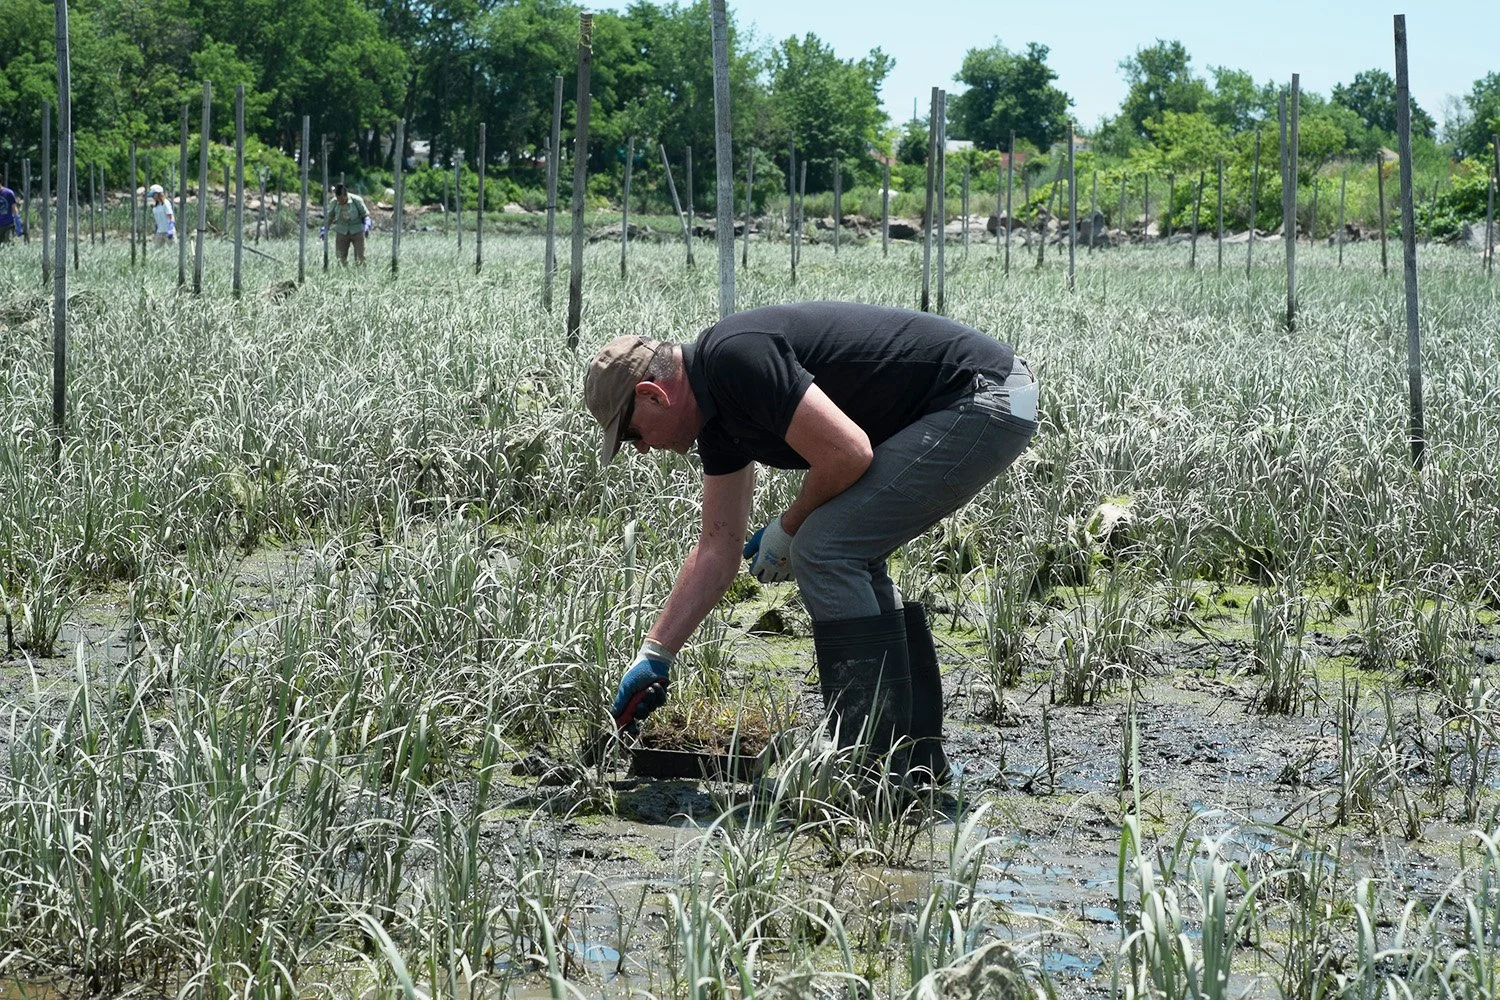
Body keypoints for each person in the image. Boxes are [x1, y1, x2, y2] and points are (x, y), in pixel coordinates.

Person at [584, 302, 1040, 784]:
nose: (640, 448)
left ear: (654, 395)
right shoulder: (715, 420)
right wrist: (655, 654)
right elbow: (717, 549)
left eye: (632, 432)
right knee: (848, 552)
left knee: (825, 548)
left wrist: (790, 526)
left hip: (986, 396)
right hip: (977, 400)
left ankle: (868, 768)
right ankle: (914, 763)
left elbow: (847, 453)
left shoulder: (735, 358)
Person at [326, 183, 369, 266]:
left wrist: (367, 224)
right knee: (340, 257)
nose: (340, 202)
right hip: (341, 231)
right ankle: (343, 273)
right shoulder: (334, 202)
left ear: (346, 195)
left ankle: (362, 272)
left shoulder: (357, 200)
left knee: (361, 256)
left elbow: (365, 214)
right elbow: (330, 217)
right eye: (338, 200)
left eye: (342, 200)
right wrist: (325, 228)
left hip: (357, 231)